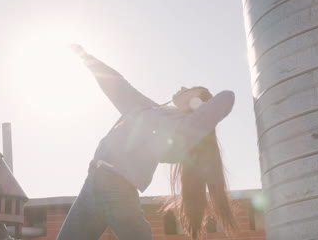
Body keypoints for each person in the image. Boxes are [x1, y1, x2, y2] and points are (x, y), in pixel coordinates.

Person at [56, 44, 236, 240]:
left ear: (197, 103)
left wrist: (200, 109)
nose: (183, 88)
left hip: (118, 189)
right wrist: (86, 57)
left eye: (190, 89)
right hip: (91, 185)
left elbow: (227, 96)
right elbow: (117, 85)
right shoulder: (147, 107)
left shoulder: (185, 128)